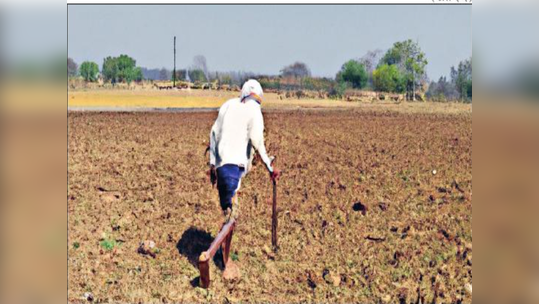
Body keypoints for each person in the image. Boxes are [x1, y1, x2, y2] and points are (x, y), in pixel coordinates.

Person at [209, 79, 280, 223]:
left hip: (221, 168)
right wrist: (269, 166)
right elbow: (256, 141)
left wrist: (212, 164)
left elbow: (214, 133)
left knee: (226, 209)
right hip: (236, 169)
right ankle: (222, 241)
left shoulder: (228, 105)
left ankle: (224, 236)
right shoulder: (255, 112)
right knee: (232, 213)